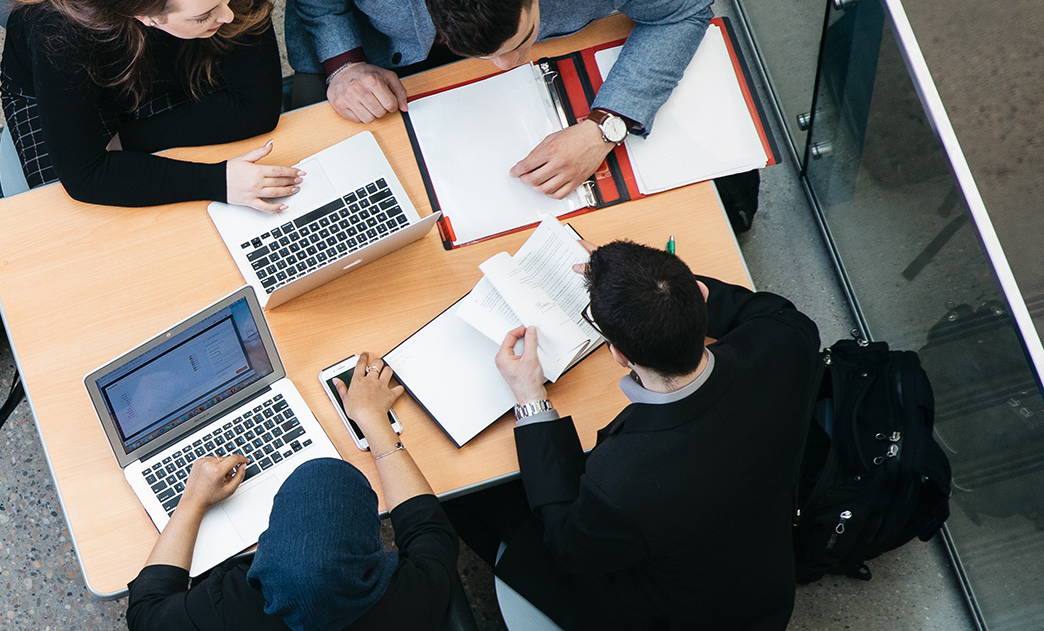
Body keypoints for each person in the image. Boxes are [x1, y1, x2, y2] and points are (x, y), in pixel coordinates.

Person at [446, 240, 821, 630]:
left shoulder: (622, 479)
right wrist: (652, 289)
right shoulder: (786, 344)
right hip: (761, 575)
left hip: (675, 613)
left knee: (469, 494)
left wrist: (531, 400)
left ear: (620, 356)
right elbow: (770, 311)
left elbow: (569, 547)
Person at [272, 0, 714, 198]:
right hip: (382, 56)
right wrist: (343, 61)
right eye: (489, 55)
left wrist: (605, 127)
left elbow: (683, 9)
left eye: (519, 41)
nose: (509, 67)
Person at [1, 0, 303, 211]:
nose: (228, 15)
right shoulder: (59, 34)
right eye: (204, 15)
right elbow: (86, 176)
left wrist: (129, 140)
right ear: (146, 16)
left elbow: (256, 108)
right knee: (90, 223)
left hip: (171, 56)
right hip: (66, 83)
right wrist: (219, 181)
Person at [126, 362, 462, 631]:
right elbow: (427, 530)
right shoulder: (416, 599)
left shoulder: (228, 607)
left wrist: (192, 500)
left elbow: (145, 611)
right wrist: (375, 421)